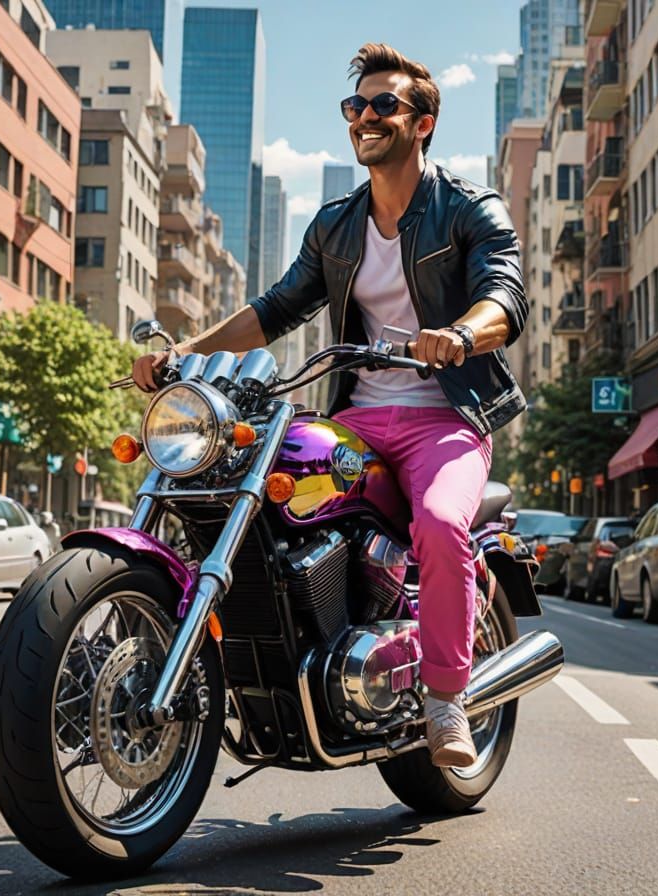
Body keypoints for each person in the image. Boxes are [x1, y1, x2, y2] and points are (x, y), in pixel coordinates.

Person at [132, 44, 527, 768]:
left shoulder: (469, 208)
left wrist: (461, 335)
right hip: (356, 419)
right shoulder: (335, 226)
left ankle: (444, 700)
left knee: (440, 523)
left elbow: (506, 296)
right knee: (248, 492)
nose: (366, 117)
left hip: (444, 418)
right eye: (356, 106)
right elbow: (277, 308)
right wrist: (183, 356)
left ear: (424, 123)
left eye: (384, 105)